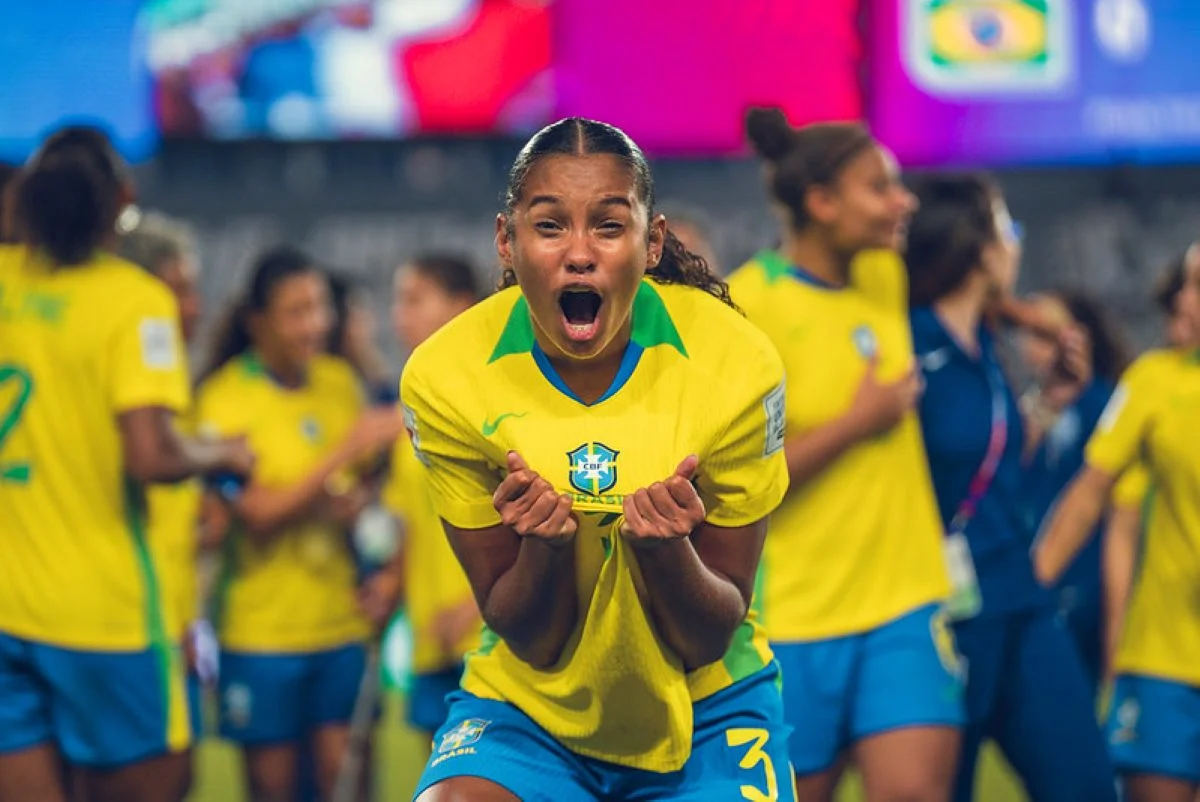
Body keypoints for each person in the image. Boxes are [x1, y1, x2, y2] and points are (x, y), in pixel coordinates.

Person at [402, 117, 794, 802]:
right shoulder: (445, 379)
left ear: (652, 243)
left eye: (609, 227)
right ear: (507, 241)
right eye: (550, 226)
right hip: (530, 707)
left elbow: (708, 636)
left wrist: (666, 552)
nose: (578, 254)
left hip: (708, 702)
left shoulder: (737, 364)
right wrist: (545, 549)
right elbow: (530, 637)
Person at [0, 126, 252, 802]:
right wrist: (223, 451)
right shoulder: (131, 300)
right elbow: (151, 454)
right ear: (123, 200)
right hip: (103, 617)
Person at [728, 107, 962, 802]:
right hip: (793, 618)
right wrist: (859, 423)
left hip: (908, 606)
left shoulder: (884, 276)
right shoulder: (748, 306)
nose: (903, 201)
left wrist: (1026, 317)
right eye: (880, 187)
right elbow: (734, 487)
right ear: (821, 204)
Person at [905, 172, 1117, 802]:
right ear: (980, 248)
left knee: (1084, 783)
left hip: (1017, 599)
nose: (1016, 244)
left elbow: (989, 468)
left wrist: (1049, 405)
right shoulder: (910, 341)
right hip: (942, 613)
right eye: (1008, 229)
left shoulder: (988, 342)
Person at [195, 246, 405, 802]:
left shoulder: (337, 381)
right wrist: (344, 452)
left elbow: (356, 492)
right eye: (297, 311)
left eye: (319, 308)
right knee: (276, 791)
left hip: (340, 626)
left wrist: (356, 507)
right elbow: (258, 513)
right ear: (257, 321)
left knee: (347, 785)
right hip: (261, 634)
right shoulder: (222, 400)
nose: (314, 323)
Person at [1036, 243, 1200, 802]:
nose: (1184, 298)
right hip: (1162, 658)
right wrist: (1027, 597)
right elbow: (1088, 498)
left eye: (1198, 285)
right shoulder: (1154, 380)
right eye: (1186, 284)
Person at [119, 211, 226, 744]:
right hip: (138, 628)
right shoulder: (134, 393)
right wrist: (222, 455)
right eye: (178, 290)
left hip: (169, 623)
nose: (193, 307)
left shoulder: (175, 387)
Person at [382, 254, 483, 743]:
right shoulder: (412, 409)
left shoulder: (491, 399)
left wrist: (477, 607)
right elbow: (413, 524)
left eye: (415, 299)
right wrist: (390, 585)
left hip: (491, 639)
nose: (400, 314)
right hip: (430, 640)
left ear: (462, 307)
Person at [1015, 290, 1131, 695]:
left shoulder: (1112, 409)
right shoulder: (1022, 414)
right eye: (1031, 335)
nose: (1035, 348)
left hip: (1093, 591)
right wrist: (1047, 405)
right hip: (1039, 587)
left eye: (1048, 335)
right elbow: (1005, 482)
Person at [1101, 247, 1197, 681]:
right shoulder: (1153, 384)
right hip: (1160, 654)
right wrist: (1115, 649)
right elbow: (1119, 525)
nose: (1183, 309)